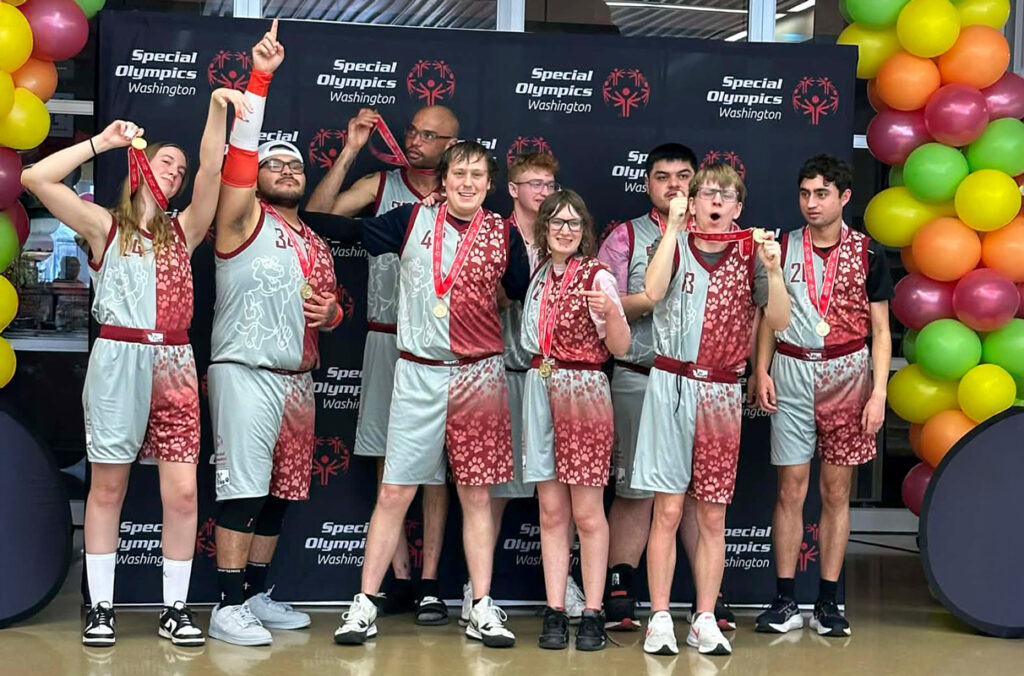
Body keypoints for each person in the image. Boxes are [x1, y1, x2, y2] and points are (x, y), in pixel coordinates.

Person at [22, 85, 248, 646]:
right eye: (166, 161)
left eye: (180, 169)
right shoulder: (105, 226)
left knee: (184, 493)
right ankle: (101, 607)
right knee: (107, 488)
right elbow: (35, 179)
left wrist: (218, 108)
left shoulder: (185, 230)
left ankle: (175, 608)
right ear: (139, 166)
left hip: (174, 361)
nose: (175, 172)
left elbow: (212, 172)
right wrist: (101, 142)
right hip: (118, 358)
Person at [304, 140, 529, 648]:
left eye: (477, 175)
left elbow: (519, 288)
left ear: (490, 185)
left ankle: (481, 605)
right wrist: (284, 212)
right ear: (442, 181)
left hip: (479, 375)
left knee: (476, 495)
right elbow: (338, 227)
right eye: (458, 174)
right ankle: (364, 603)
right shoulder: (409, 220)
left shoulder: (503, 233)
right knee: (394, 491)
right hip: (418, 372)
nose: (467, 182)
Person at [206, 20, 342, 646]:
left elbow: (332, 312)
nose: (286, 170)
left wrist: (331, 315)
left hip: (299, 378)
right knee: (243, 489)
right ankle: (226, 603)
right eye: (274, 163)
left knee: (280, 493)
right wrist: (259, 79)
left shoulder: (315, 240)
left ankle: (256, 594)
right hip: (247, 370)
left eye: (294, 165)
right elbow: (237, 159)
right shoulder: (241, 218)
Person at [306, 104, 459, 623]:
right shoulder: (382, 184)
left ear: (451, 147)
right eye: (412, 131)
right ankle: (398, 578)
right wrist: (351, 149)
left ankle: (431, 582)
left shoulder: (463, 196)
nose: (414, 140)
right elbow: (316, 218)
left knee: (435, 467)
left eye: (429, 135)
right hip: (385, 336)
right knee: (387, 460)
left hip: (438, 347)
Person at [633, 164, 790, 656]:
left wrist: (773, 270)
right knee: (667, 509)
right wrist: (673, 228)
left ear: (739, 207)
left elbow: (780, 320)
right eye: (706, 193)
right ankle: (660, 617)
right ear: (692, 200)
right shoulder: (673, 241)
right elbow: (652, 292)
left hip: (721, 390)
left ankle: (704, 617)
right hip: (671, 382)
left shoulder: (751, 252)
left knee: (712, 515)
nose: (715, 201)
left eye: (725, 195)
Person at [598, 143, 738, 632]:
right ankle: (621, 586)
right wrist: (651, 296)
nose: (674, 185)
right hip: (641, 376)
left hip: (707, 385)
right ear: (648, 184)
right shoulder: (626, 237)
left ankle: (708, 597)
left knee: (701, 495)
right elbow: (606, 306)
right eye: (663, 177)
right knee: (637, 489)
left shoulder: (728, 236)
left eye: (683, 177)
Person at [753, 155, 892, 637]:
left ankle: (829, 602)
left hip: (848, 372)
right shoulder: (780, 247)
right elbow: (768, 315)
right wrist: (761, 369)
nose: (811, 203)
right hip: (793, 368)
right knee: (790, 488)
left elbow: (881, 330)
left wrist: (879, 391)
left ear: (844, 197)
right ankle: (785, 599)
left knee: (836, 491)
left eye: (821, 194)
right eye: (805, 194)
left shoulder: (868, 252)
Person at [521, 190, 630, 651]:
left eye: (573, 223)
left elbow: (620, 347)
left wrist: (612, 314)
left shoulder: (597, 276)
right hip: (541, 385)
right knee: (551, 511)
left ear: (584, 230)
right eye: (556, 222)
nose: (564, 230)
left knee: (586, 512)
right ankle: (555, 609)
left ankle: (593, 611)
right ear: (544, 228)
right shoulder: (539, 271)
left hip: (583, 388)